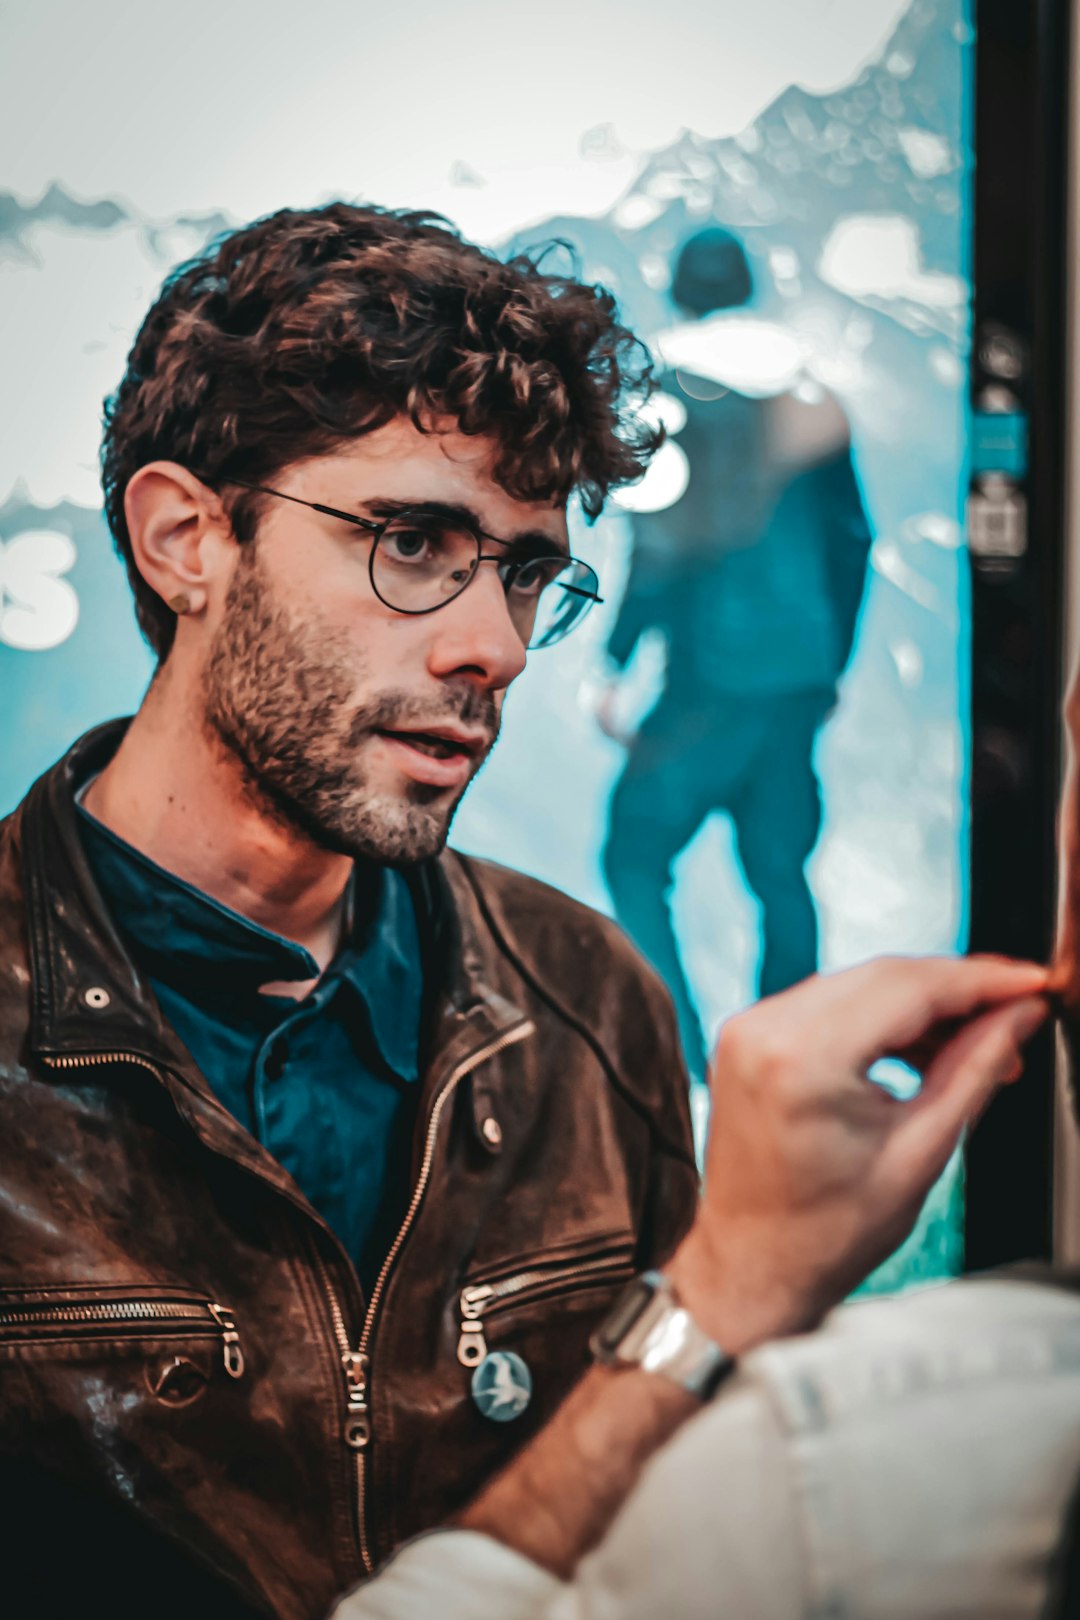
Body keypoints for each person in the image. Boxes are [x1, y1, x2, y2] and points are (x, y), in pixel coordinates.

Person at [0, 201, 1049, 1620]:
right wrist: (726, 1291)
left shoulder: (591, 998)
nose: (491, 647)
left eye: (527, 573)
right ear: (187, 539)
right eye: (413, 545)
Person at [598, 227, 873, 1080]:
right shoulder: (809, 396)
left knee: (633, 852)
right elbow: (855, 540)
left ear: (680, 291)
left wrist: (614, 661)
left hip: (708, 681)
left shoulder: (676, 394)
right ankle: (787, 1069)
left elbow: (663, 544)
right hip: (796, 680)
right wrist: (829, 667)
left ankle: (679, 1062)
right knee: (780, 873)